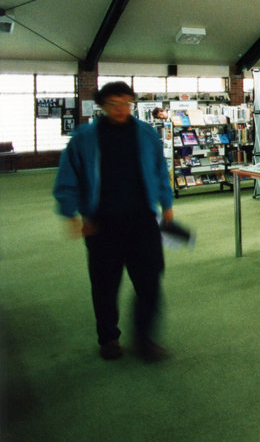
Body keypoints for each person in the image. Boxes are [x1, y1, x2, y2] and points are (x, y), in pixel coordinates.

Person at [53, 81, 175, 362]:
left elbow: (159, 170)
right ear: (102, 106)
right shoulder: (84, 138)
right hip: (101, 223)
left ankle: (145, 339)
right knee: (105, 284)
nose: (121, 109)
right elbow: (68, 176)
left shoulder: (146, 134)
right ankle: (108, 338)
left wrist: (166, 204)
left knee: (150, 282)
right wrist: (70, 212)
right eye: (113, 104)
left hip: (143, 220)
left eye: (126, 103)